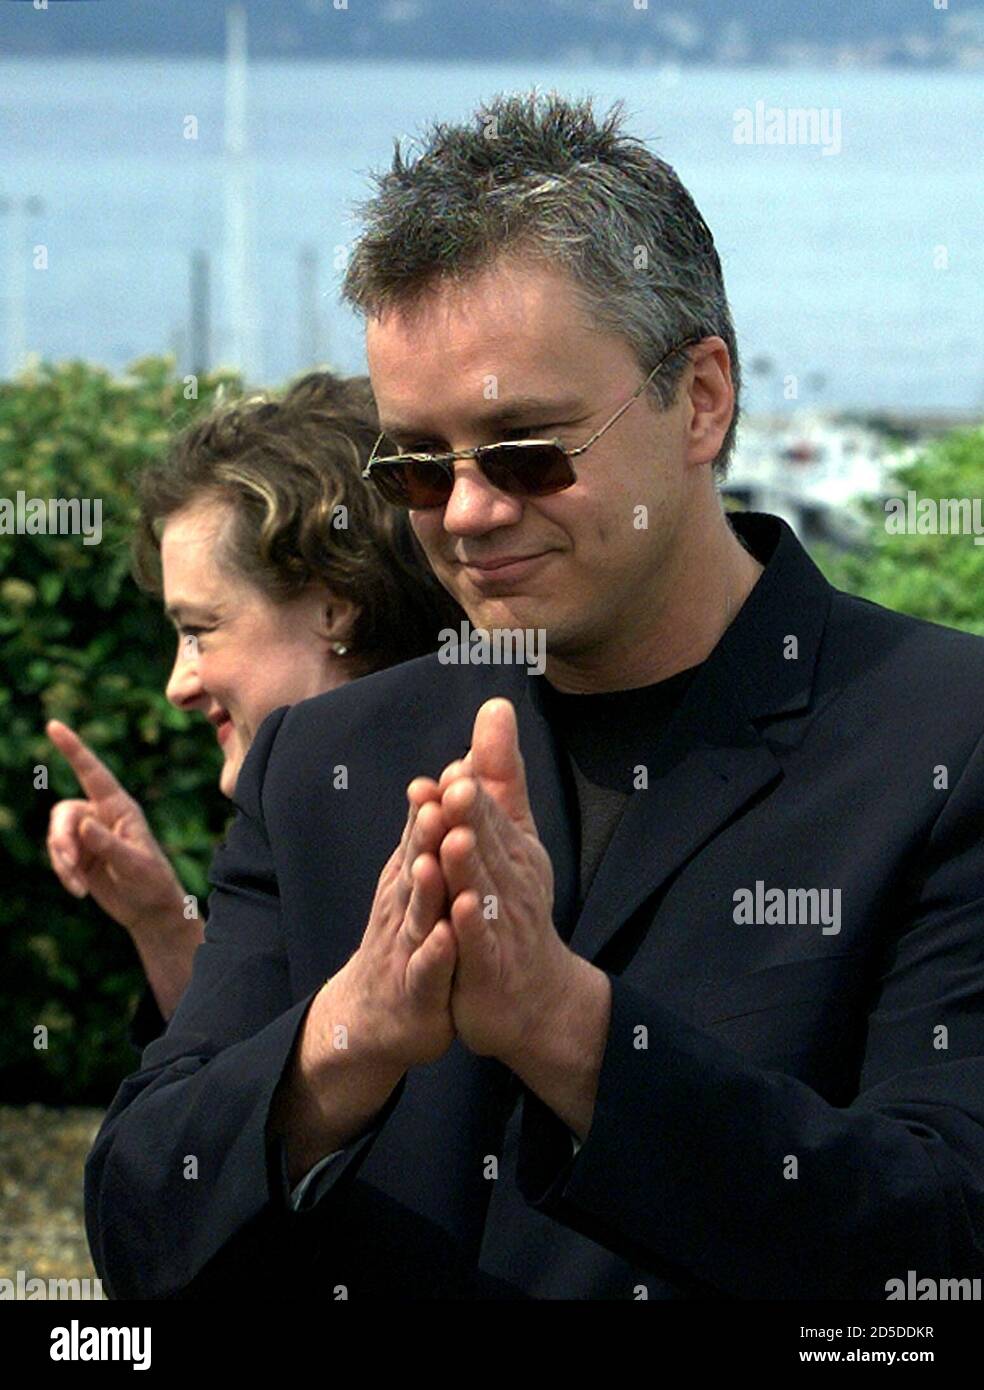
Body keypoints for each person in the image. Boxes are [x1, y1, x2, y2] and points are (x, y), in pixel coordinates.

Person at [84, 91, 984, 1300]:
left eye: (525, 451)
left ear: (701, 399)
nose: (465, 512)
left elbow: (944, 1248)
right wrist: (346, 1035)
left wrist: (574, 1033)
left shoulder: (944, 739)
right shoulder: (326, 764)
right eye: (413, 465)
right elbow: (142, 1228)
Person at [47, 370, 462, 1047]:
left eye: (199, 631)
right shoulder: (300, 826)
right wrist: (160, 921)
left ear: (335, 607)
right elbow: (232, 1089)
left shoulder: (454, 837)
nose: (178, 684)